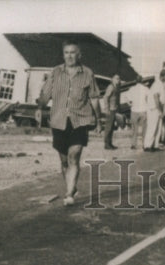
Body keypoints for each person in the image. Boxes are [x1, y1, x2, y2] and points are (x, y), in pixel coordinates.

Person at [36, 42, 102, 206]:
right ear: (63, 55)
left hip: (80, 120)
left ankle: (68, 193)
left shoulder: (87, 73)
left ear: (79, 55)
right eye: (66, 53)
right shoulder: (56, 72)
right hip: (59, 120)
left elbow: (94, 98)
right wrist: (39, 108)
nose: (69, 56)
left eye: (73, 53)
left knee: (74, 156)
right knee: (64, 160)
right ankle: (72, 187)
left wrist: (99, 120)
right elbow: (45, 93)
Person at [126, 76, 153, 149]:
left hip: (134, 110)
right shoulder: (146, 89)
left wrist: (130, 105)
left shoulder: (132, 89)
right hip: (143, 110)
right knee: (144, 129)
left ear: (135, 81)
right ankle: (144, 144)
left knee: (134, 128)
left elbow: (128, 100)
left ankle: (133, 144)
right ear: (142, 81)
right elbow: (149, 99)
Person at [144, 71, 165, 151]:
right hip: (154, 109)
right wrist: (160, 110)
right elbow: (156, 97)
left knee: (158, 128)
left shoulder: (161, 84)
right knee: (152, 127)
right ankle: (148, 146)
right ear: (162, 76)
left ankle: (155, 145)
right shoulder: (157, 84)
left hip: (158, 108)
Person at [102, 74, 122, 150]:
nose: (118, 80)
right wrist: (107, 109)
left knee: (112, 127)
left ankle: (110, 143)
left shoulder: (117, 87)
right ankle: (106, 144)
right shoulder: (111, 87)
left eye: (119, 78)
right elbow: (105, 97)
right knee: (108, 128)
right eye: (116, 78)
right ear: (112, 79)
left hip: (114, 109)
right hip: (110, 110)